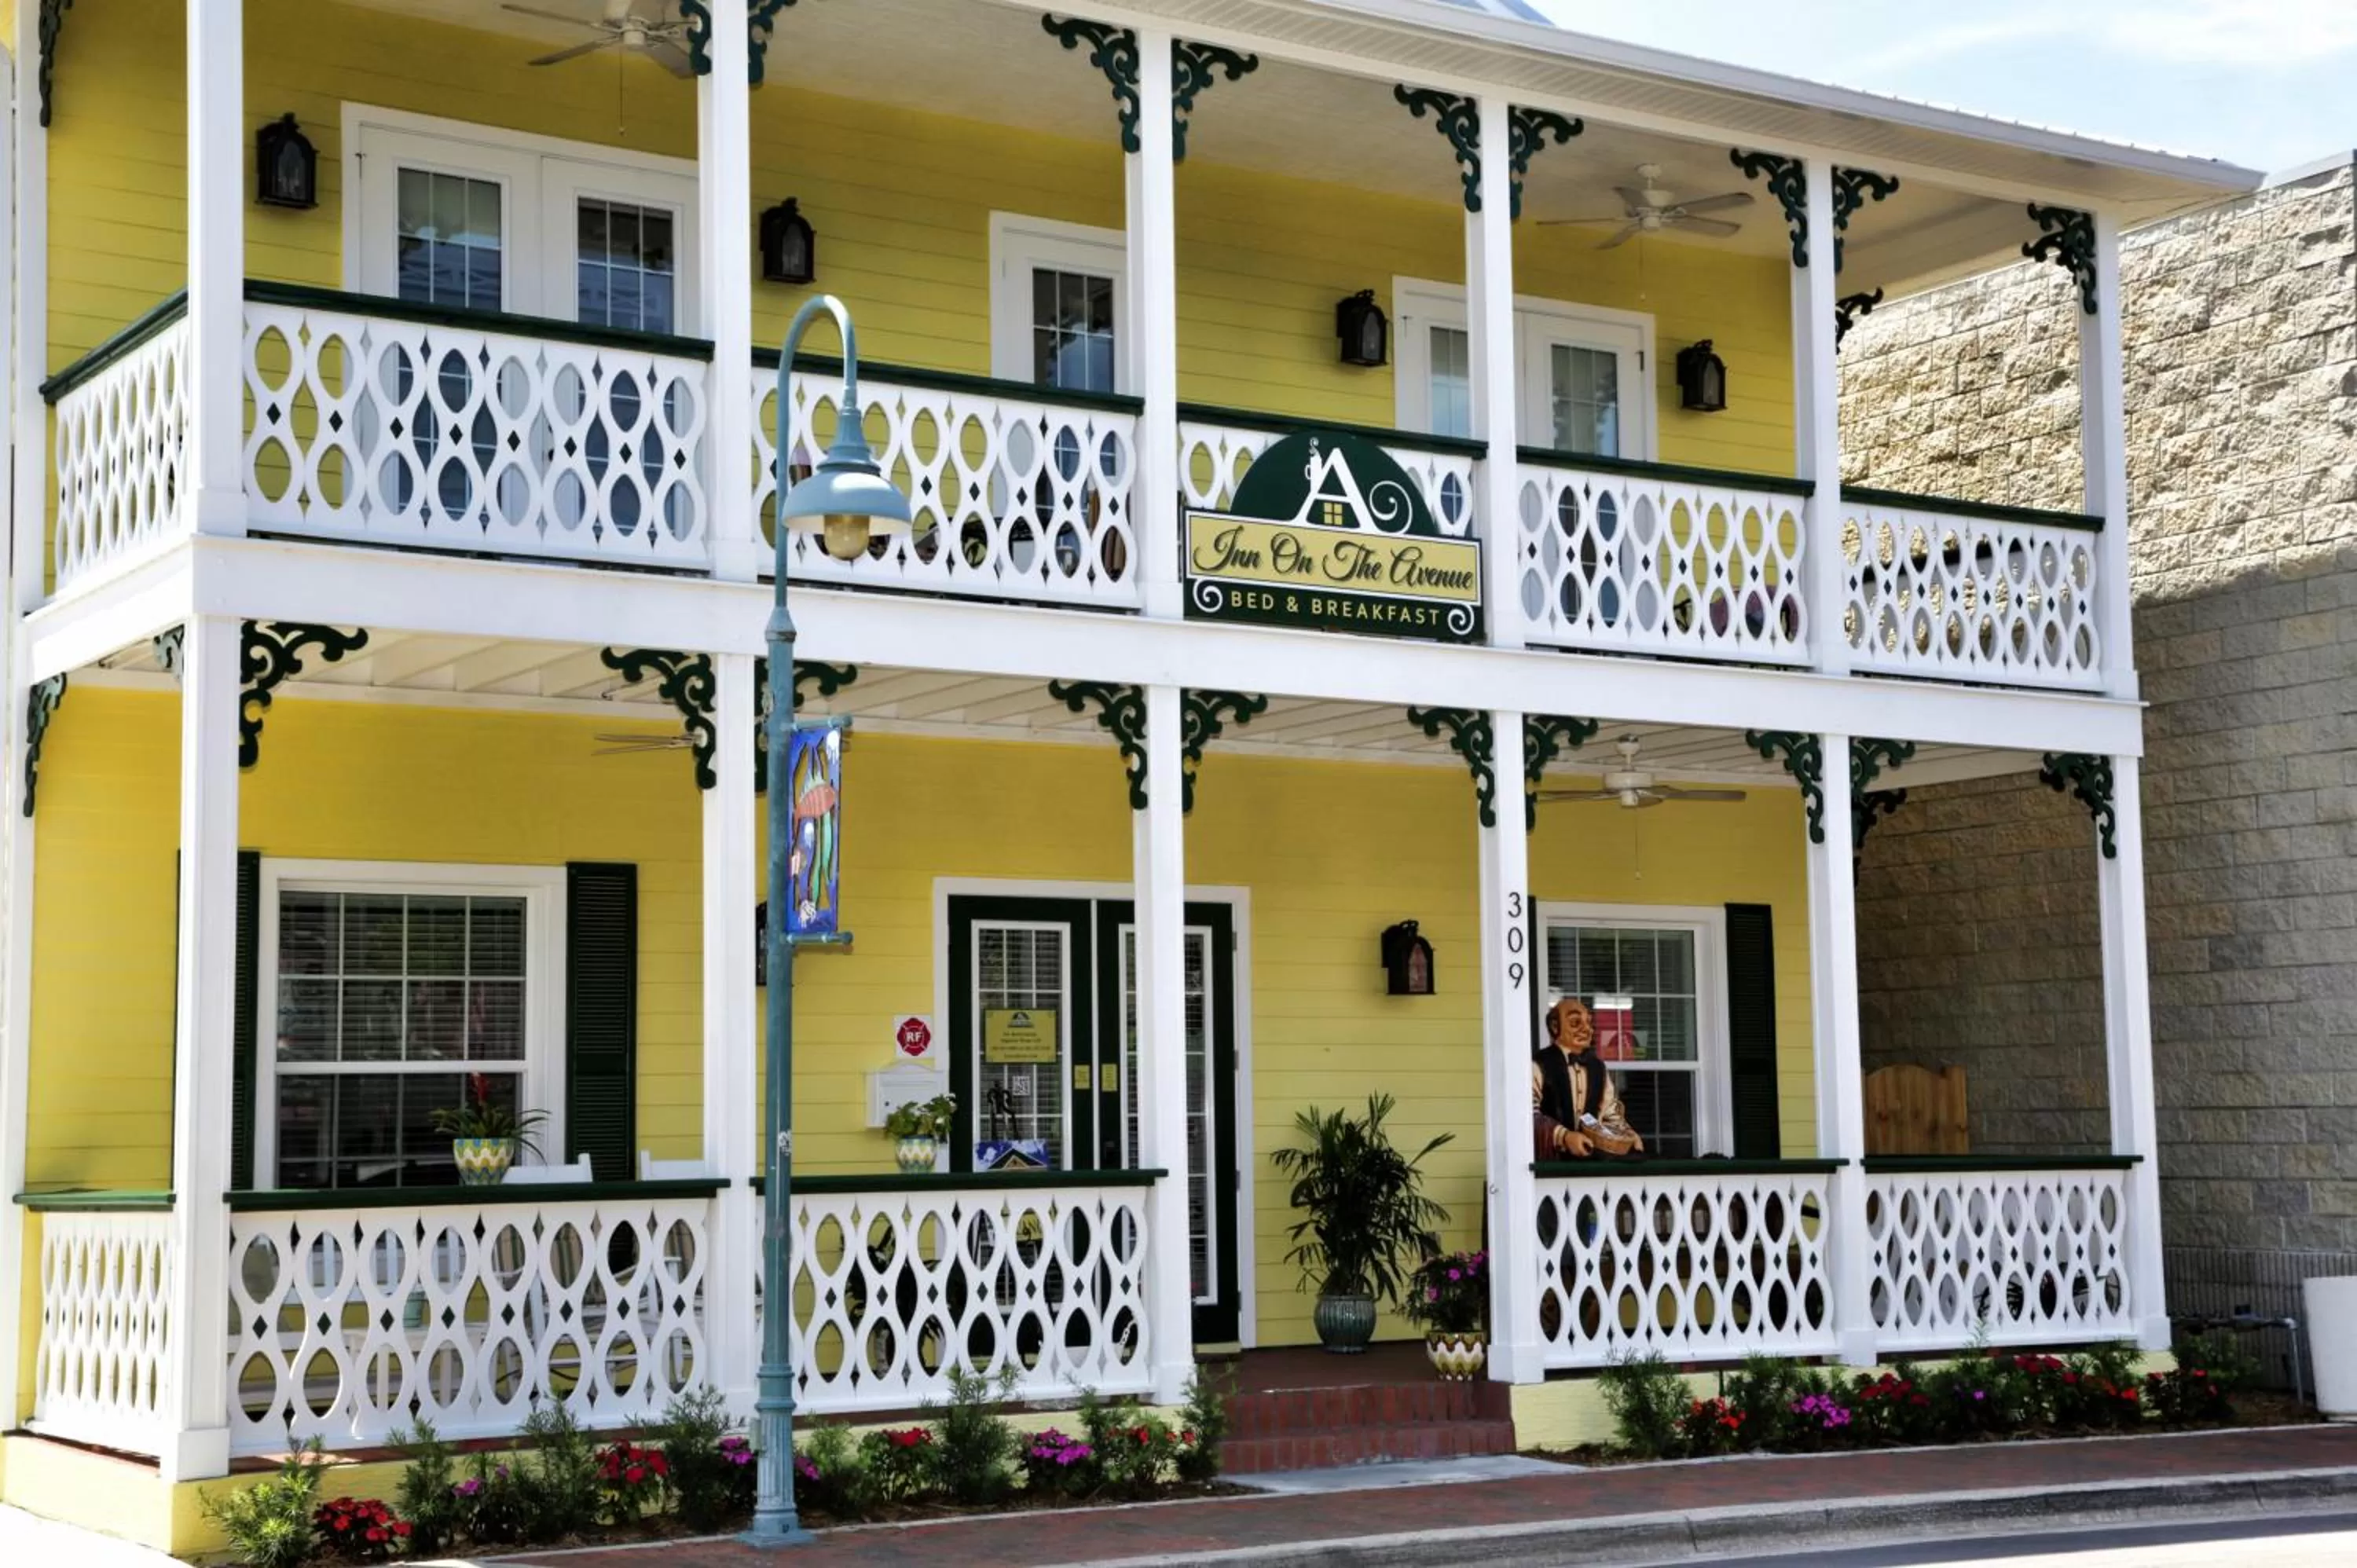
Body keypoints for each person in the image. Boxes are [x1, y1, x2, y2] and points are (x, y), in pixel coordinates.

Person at [1531, 997, 1644, 1158]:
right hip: (1551, 1164)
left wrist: (1627, 1134)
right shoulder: (1539, 1064)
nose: (1587, 1029)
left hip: (1590, 1162)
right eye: (1575, 1022)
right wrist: (1564, 1137)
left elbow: (1610, 1113)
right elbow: (1527, 1114)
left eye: (1589, 1023)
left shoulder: (1598, 1067)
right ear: (1555, 1027)